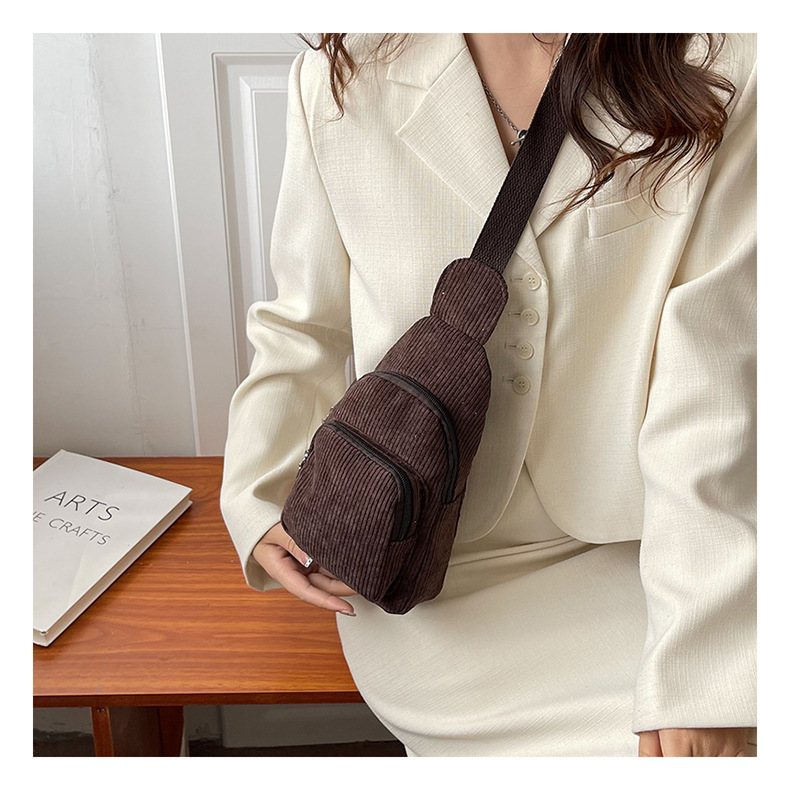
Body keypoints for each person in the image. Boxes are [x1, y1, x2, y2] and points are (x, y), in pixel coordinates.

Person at [220, 33, 757, 757]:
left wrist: (703, 668)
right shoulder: (344, 77)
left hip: (651, 549)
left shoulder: (724, 63)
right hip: (423, 560)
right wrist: (257, 495)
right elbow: (301, 324)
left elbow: (712, 382)